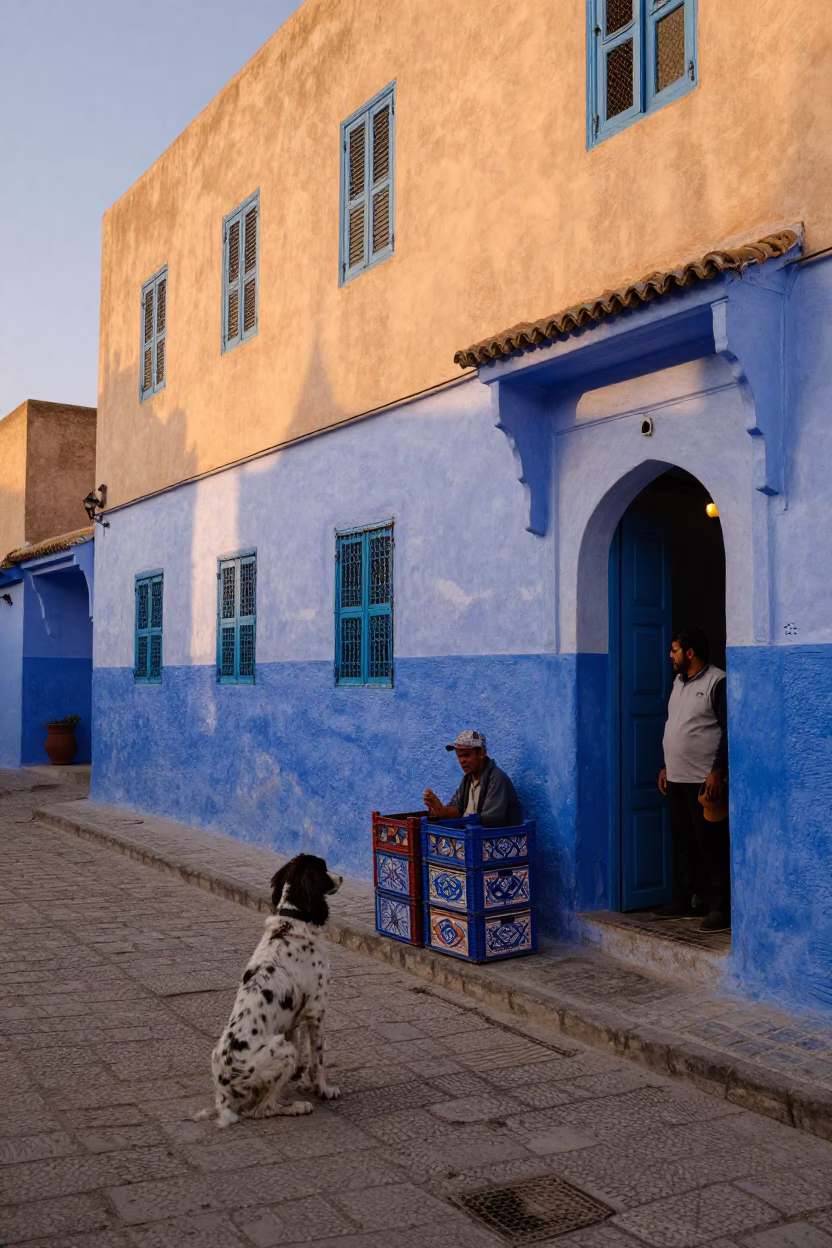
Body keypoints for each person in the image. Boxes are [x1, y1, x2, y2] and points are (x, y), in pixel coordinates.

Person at [656, 626, 730, 933]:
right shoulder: (678, 682)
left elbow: (728, 730)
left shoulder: (717, 681)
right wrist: (665, 766)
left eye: (673, 650)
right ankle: (683, 899)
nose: (670, 656)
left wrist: (717, 771)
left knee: (710, 846)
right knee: (682, 843)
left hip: (703, 781)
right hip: (676, 777)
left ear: (689, 653)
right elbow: (675, 726)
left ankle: (721, 908)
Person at [423, 730, 522, 828]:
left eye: (466, 755)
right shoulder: (467, 779)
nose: (461, 761)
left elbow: (490, 820)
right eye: (459, 757)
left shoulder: (496, 779)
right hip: (470, 837)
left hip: (493, 840)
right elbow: (457, 808)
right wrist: (439, 809)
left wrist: (446, 813)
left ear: (482, 753)